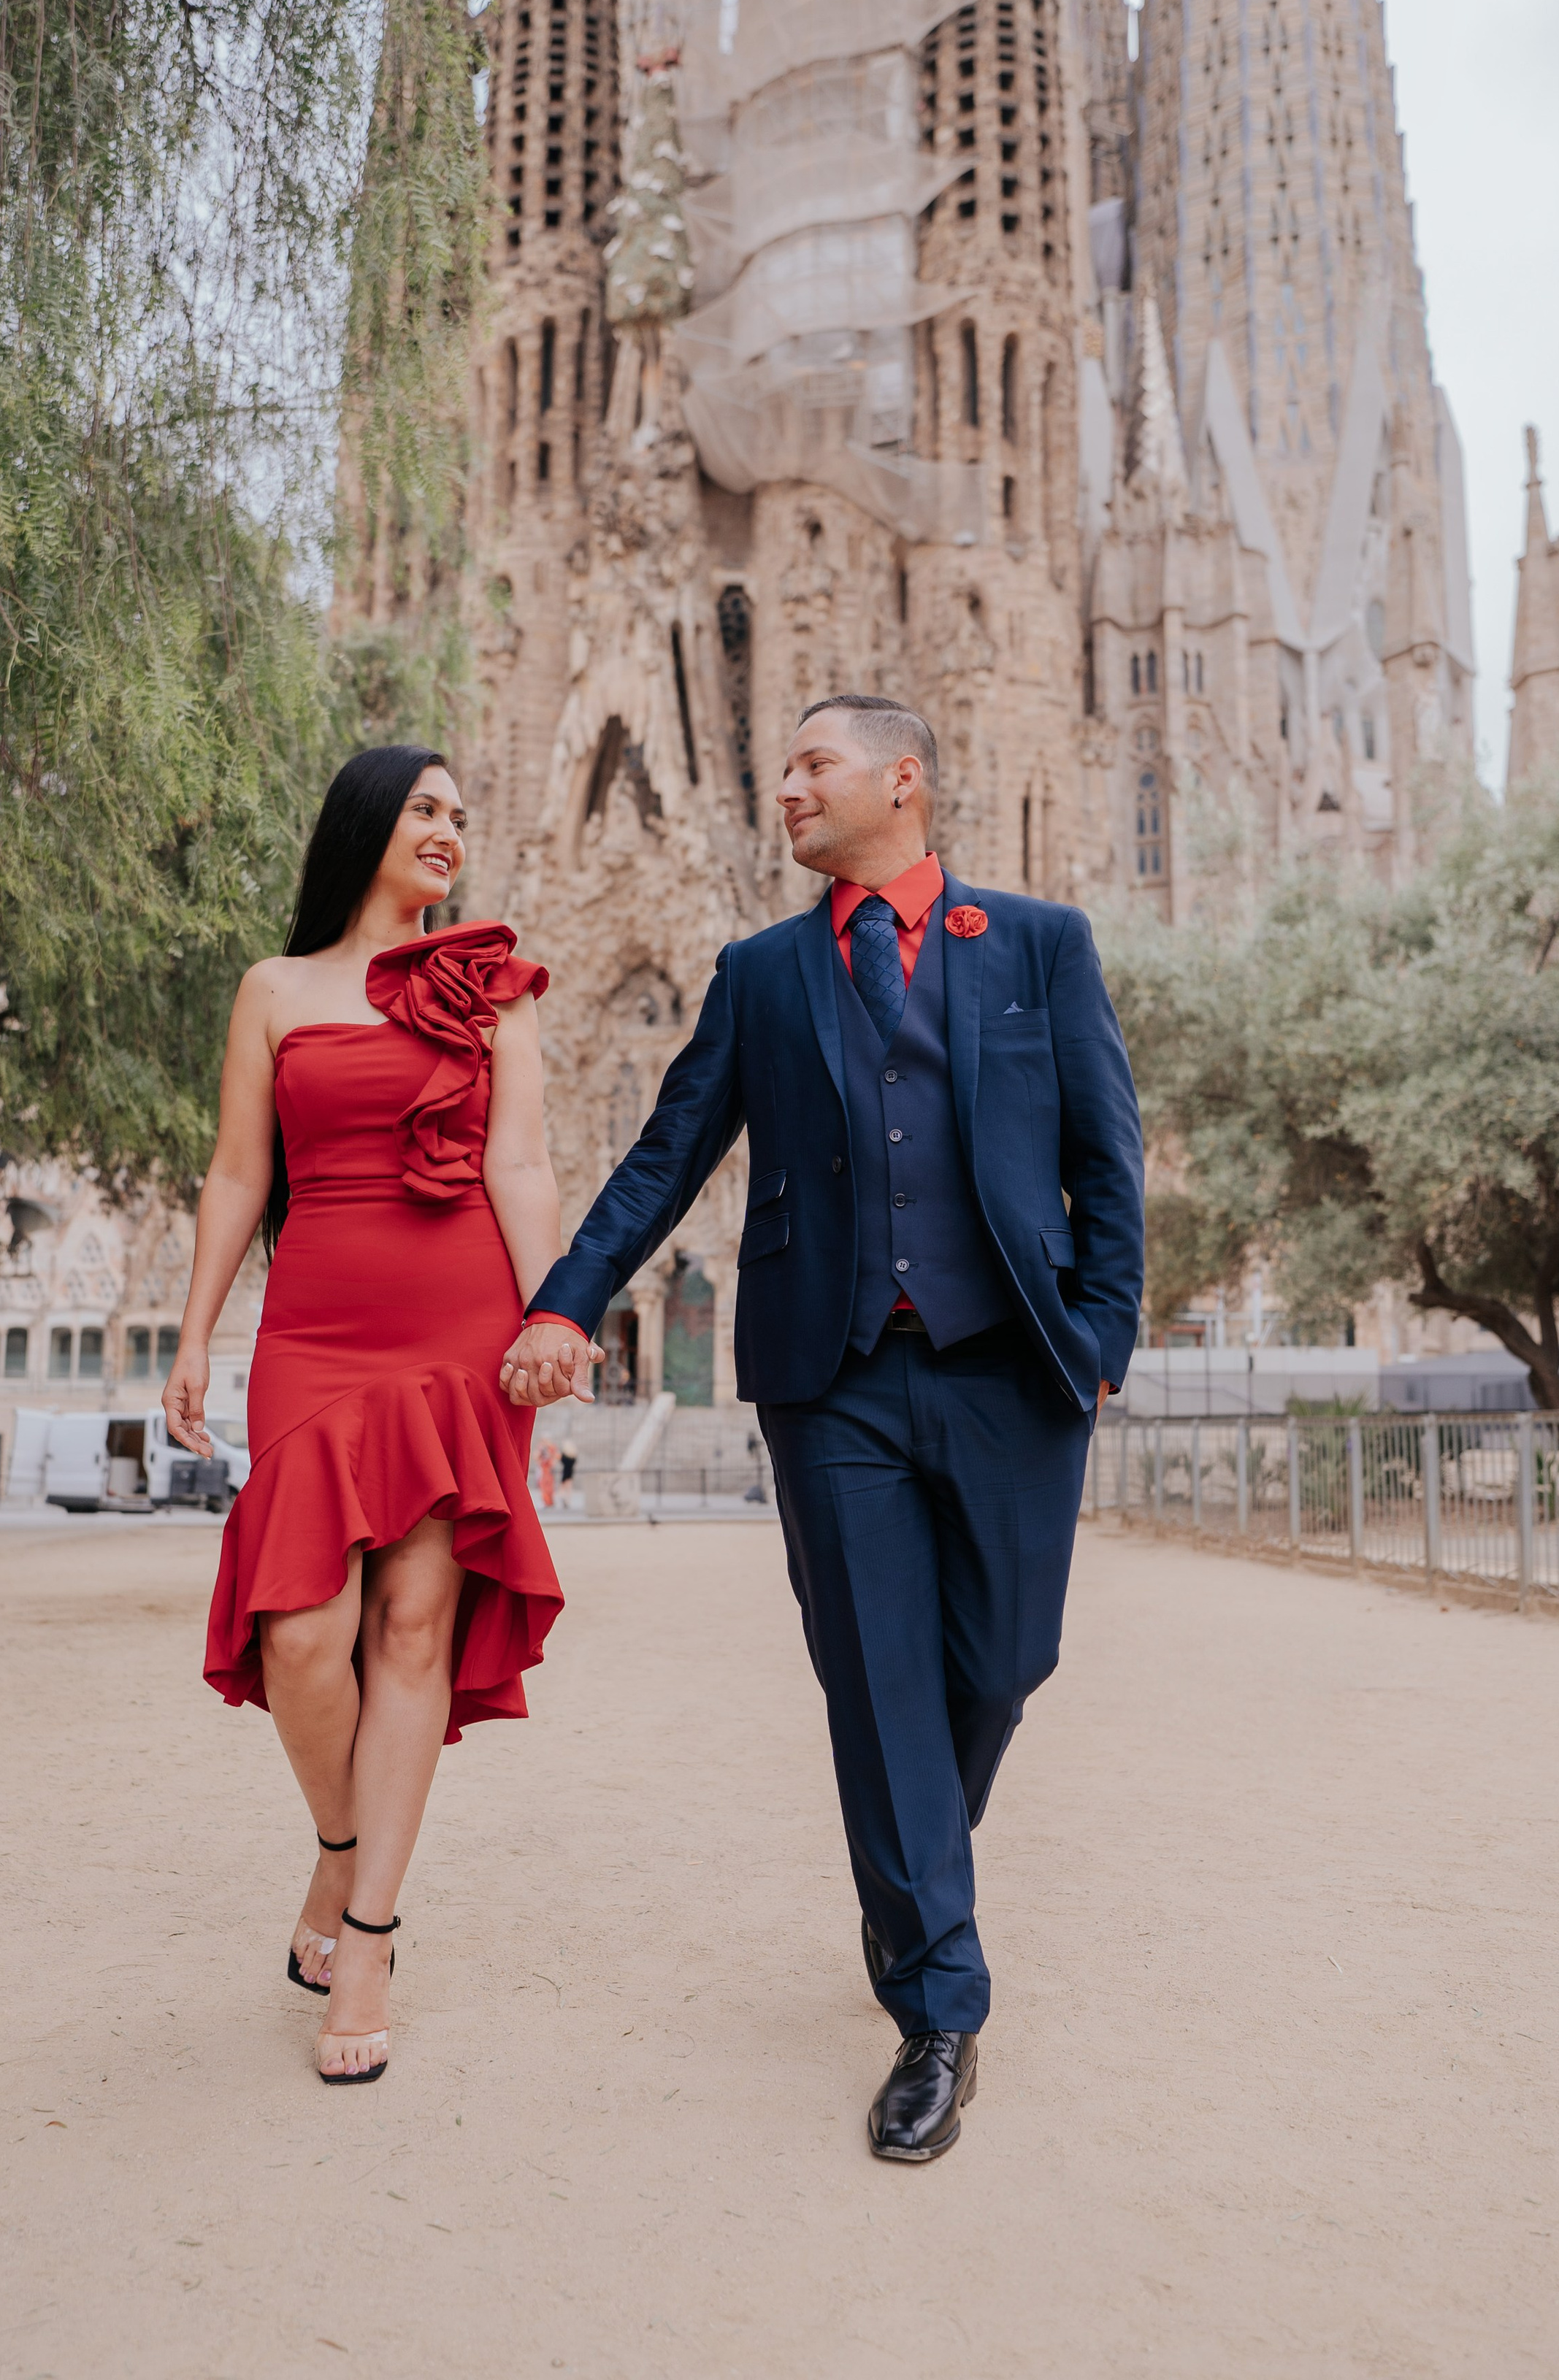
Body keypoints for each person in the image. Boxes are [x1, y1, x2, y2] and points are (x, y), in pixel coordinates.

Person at [502, 695, 1144, 2162]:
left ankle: (910, 1868)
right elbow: (665, 1155)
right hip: (830, 1378)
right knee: (877, 1684)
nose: (782, 786)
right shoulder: (763, 973)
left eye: (811, 765)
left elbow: (1105, 1159)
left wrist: (1099, 1336)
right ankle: (939, 2011)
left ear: (900, 783)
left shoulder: (1037, 944)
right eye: (779, 765)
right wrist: (562, 1302)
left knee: (1002, 1664)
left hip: (1011, 1371)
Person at [166, 745, 570, 2086]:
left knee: (412, 1623)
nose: (450, 830)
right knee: (301, 1631)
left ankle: (373, 1941)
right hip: (316, 1330)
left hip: (461, 1329)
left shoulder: (491, 985)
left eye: (462, 815)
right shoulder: (274, 990)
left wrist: (550, 1333)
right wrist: (193, 1334)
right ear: (362, 827)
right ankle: (343, 1860)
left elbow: (519, 1159)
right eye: (425, 809)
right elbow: (238, 1172)